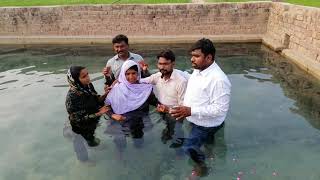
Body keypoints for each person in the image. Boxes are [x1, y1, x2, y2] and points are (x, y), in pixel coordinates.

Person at [169, 38, 231, 177]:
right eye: (192, 55)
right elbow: (193, 79)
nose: (192, 59)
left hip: (205, 124)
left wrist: (190, 110)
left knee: (188, 147)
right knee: (208, 143)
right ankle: (209, 154)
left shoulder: (219, 80)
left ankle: (201, 167)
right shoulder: (200, 69)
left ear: (209, 57)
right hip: (196, 119)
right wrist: (173, 70)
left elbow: (220, 109)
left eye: (196, 56)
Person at [104, 60, 163, 153]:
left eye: (134, 73)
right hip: (121, 121)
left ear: (138, 73)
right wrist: (113, 115)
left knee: (139, 139)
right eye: (127, 74)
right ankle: (121, 153)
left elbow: (153, 101)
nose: (131, 77)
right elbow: (106, 107)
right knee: (120, 141)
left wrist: (159, 105)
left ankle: (139, 150)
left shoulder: (144, 87)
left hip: (139, 121)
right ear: (123, 74)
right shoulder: (117, 88)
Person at [140, 49, 187, 148]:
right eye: (160, 64)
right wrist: (121, 82)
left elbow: (183, 108)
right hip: (161, 109)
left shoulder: (181, 81)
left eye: (165, 64)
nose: (162, 67)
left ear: (173, 64)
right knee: (168, 126)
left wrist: (168, 110)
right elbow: (141, 81)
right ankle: (168, 133)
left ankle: (179, 147)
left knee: (177, 131)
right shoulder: (157, 76)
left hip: (176, 114)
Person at [65, 66, 109, 147]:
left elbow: (95, 99)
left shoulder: (88, 85)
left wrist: (105, 94)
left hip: (91, 120)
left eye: (87, 74)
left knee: (91, 135)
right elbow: (77, 119)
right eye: (84, 77)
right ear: (75, 80)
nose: (88, 78)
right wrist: (99, 113)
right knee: (82, 141)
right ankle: (84, 159)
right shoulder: (72, 96)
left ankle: (92, 143)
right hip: (80, 126)